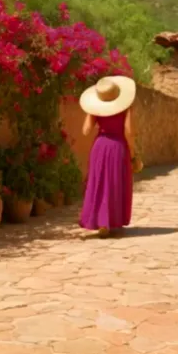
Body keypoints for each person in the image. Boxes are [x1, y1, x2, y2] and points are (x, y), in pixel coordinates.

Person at [78, 75, 141, 237]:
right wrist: (133, 153)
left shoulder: (95, 110)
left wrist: (92, 112)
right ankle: (110, 220)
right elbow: (129, 132)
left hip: (100, 147)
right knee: (113, 182)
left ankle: (101, 221)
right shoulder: (126, 108)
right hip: (118, 146)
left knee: (99, 182)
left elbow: (85, 131)